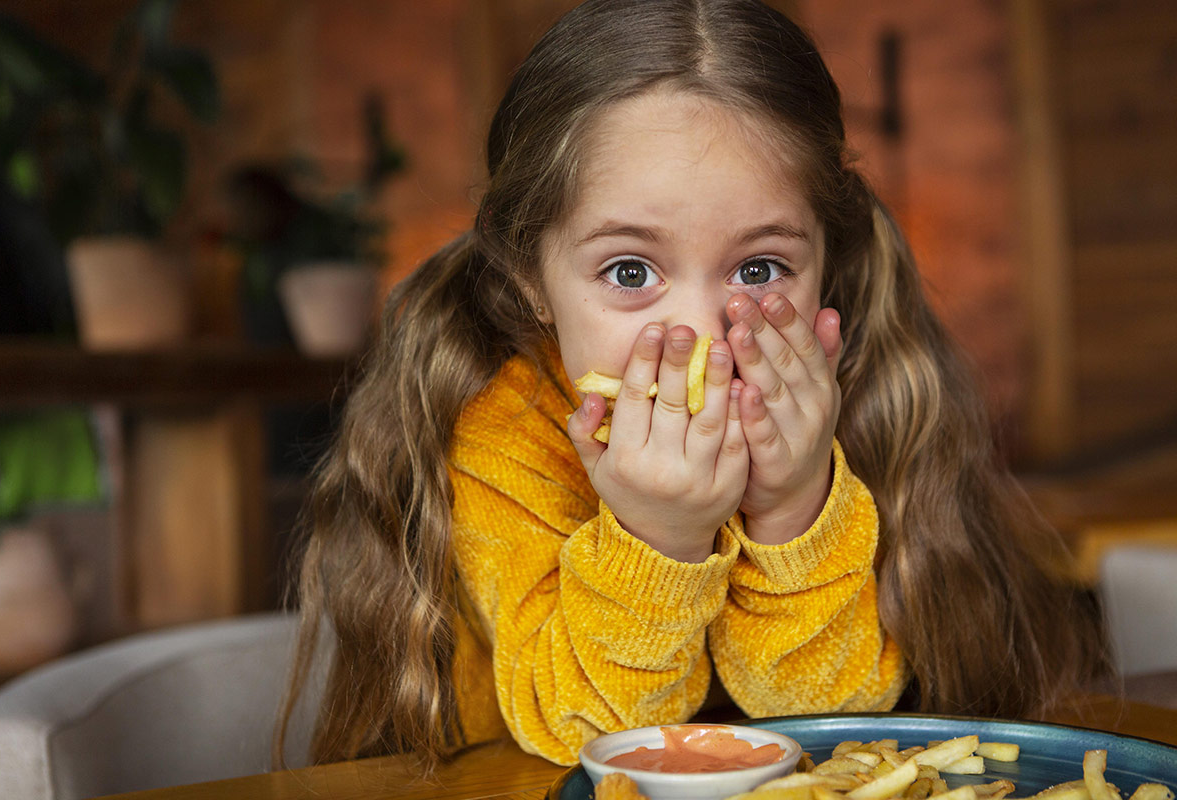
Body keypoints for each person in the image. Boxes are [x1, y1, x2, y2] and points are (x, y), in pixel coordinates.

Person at [276, 0, 1106, 770]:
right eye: (631, 269)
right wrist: (659, 541)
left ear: (826, 265)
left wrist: (793, 512)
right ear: (532, 278)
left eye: (759, 267)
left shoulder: (841, 401)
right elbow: (590, 740)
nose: (703, 334)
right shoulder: (504, 436)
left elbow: (842, 721)